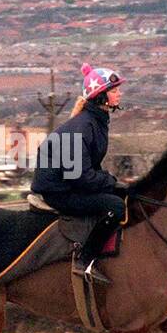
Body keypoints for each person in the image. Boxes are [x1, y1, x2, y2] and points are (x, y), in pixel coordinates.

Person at [31, 63, 127, 284]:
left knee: (120, 195)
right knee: (116, 206)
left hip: (70, 184)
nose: (119, 93)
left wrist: (112, 184)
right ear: (101, 96)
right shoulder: (83, 126)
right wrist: (111, 181)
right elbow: (81, 176)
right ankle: (85, 260)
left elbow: (88, 169)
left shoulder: (96, 121)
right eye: (114, 90)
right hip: (57, 192)